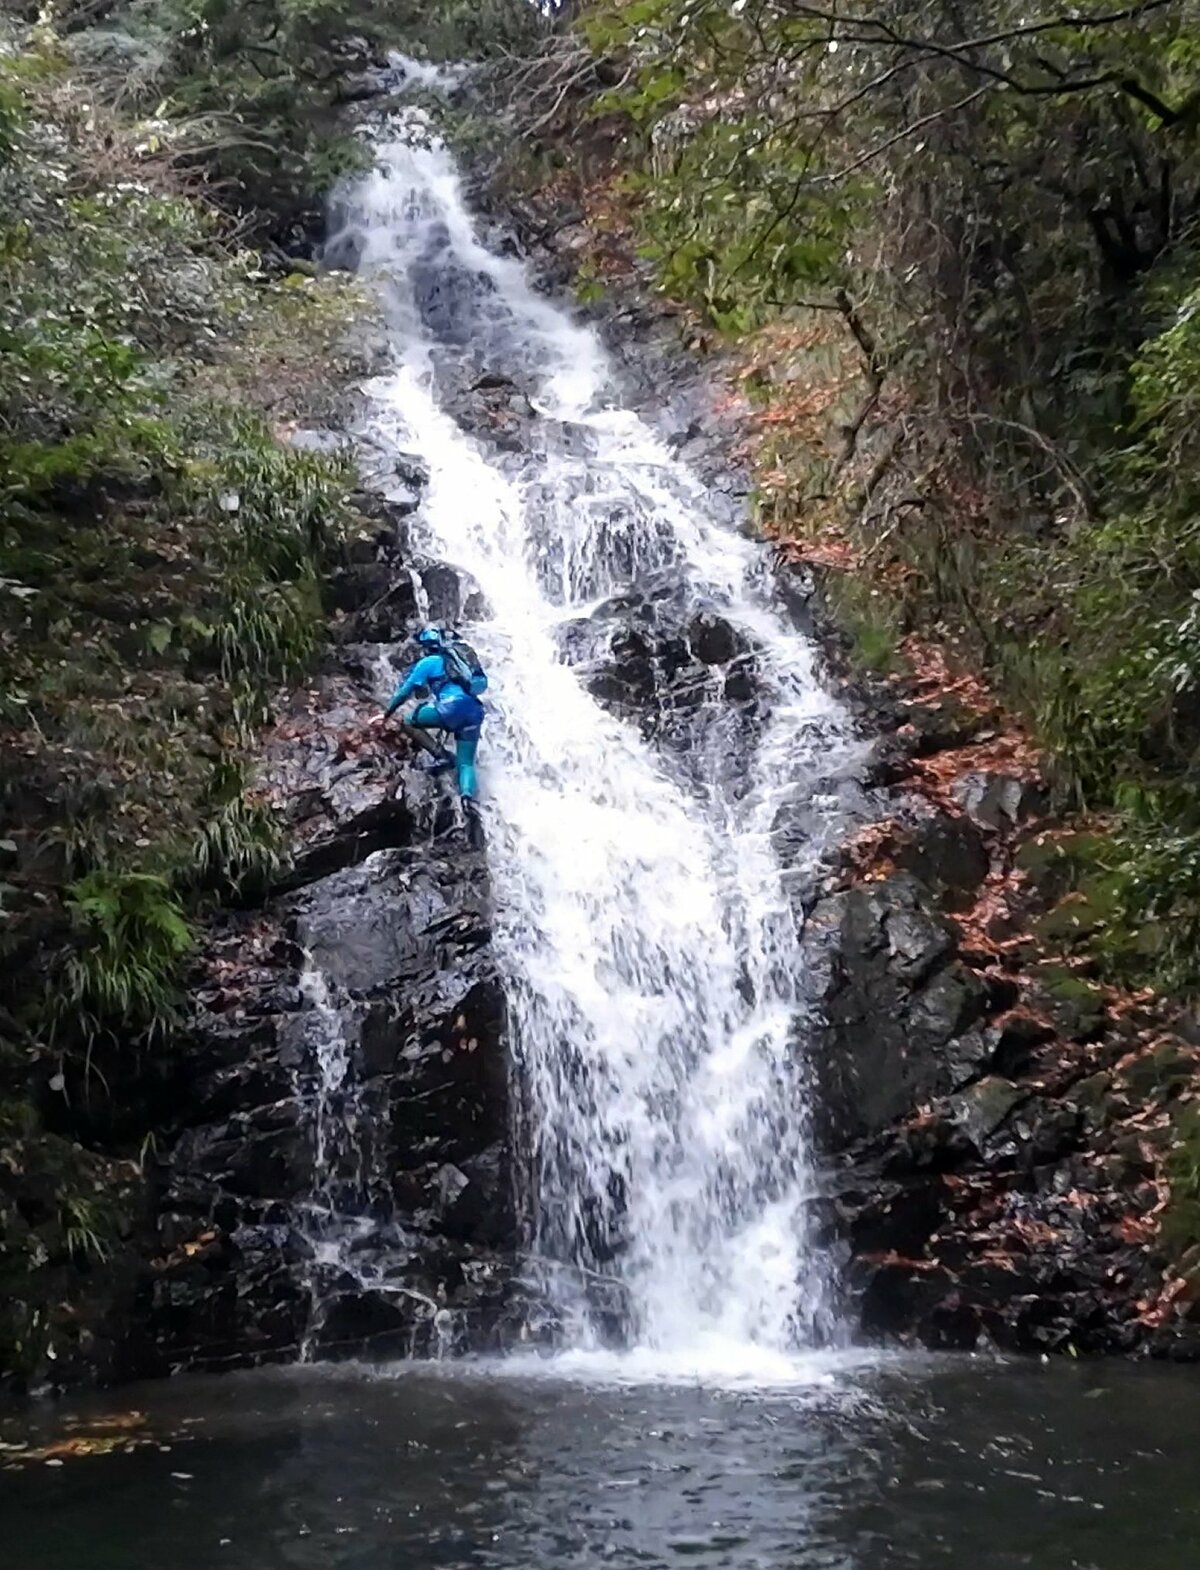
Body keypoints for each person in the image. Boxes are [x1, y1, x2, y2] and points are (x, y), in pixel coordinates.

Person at [375, 625, 486, 812]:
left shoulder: (429, 662)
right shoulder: (457, 663)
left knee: (408, 720)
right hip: (474, 711)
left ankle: (441, 755)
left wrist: (386, 714)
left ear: (425, 646)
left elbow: (404, 692)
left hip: (450, 708)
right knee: (466, 763)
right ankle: (467, 800)